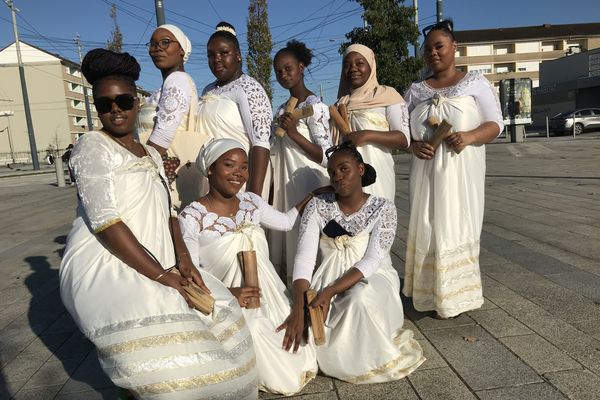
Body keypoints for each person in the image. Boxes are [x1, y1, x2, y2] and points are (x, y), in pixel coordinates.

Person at [59, 49, 257, 399]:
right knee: (160, 330)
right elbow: (106, 223)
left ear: (136, 102)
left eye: (122, 100)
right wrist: (164, 276)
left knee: (216, 310)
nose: (115, 109)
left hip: (159, 253)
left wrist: (184, 262)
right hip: (111, 258)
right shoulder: (91, 146)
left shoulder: (151, 153)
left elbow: (169, 212)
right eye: (105, 104)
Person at [178, 138, 318, 395]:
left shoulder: (251, 202)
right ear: (210, 168)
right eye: (229, 165)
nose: (238, 174)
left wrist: (313, 196)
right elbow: (191, 272)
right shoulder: (192, 216)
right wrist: (228, 294)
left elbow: (286, 222)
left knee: (293, 338)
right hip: (225, 301)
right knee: (254, 330)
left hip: (269, 294)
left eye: (244, 167)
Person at [280, 142, 425, 384]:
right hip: (326, 275)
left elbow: (372, 259)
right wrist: (298, 305)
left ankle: (352, 359)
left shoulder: (383, 208)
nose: (337, 177)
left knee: (359, 299)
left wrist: (330, 291)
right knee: (297, 314)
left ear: (360, 169)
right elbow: (305, 258)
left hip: (370, 276)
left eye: (344, 169)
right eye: (332, 172)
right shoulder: (318, 205)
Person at [402, 20, 504, 319]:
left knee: (456, 224)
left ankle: (457, 296)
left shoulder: (474, 83)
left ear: (454, 47)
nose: (433, 53)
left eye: (439, 46)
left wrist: (470, 136)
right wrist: (412, 146)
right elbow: (401, 130)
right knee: (428, 224)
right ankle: (426, 291)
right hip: (426, 173)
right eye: (428, 49)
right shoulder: (416, 90)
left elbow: (496, 124)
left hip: (461, 170)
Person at [270, 39, 332, 283]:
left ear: (302, 67)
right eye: (278, 71)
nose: (283, 75)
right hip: (284, 184)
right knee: (287, 234)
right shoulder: (282, 109)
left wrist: (294, 133)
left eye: (288, 68)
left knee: (307, 237)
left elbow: (327, 156)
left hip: (308, 183)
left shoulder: (314, 108)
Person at [198, 22, 272, 199]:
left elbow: (261, 144)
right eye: (211, 55)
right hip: (210, 178)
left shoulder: (249, 88)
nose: (216, 59)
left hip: (240, 182)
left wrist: (253, 197)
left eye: (224, 53)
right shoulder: (208, 89)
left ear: (238, 55)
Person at [139, 24, 207, 209]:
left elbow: (163, 134)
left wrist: (137, 168)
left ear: (182, 50)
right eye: (152, 44)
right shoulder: (169, 83)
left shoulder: (176, 80)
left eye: (165, 42)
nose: (157, 48)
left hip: (163, 163)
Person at [334, 44, 410, 202]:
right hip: (346, 179)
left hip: (379, 174)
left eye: (359, 63)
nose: (353, 68)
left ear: (371, 65)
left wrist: (366, 135)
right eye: (347, 65)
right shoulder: (341, 103)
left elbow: (403, 139)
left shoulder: (388, 95)